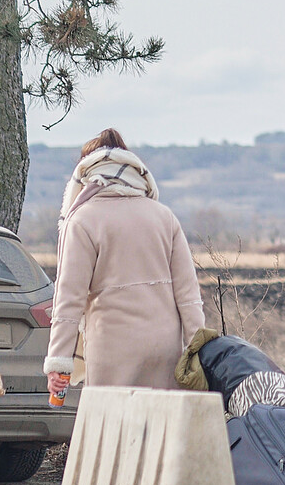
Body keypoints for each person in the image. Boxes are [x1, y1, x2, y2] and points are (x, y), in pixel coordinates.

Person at [44, 129, 205, 397]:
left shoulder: (82, 220)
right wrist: (196, 351)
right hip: (165, 348)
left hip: (111, 349)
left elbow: (68, 299)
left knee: (113, 432)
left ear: (86, 172)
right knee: (161, 430)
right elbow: (189, 296)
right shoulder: (164, 217)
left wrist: (59, 361)